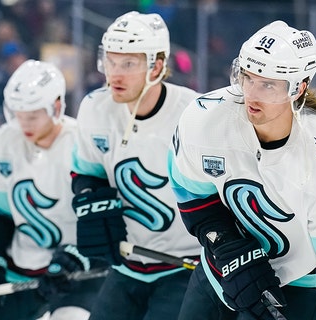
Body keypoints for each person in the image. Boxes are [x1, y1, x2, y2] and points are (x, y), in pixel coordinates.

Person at [168, 20, 316, 320]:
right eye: (246, 78)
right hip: (219, 277)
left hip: (302, 289)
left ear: (298, 88)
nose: (252, 95)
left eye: (269, 85)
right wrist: (230, 248)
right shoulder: (205, 118)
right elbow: (193, 193)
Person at [70, 11, 202, 320]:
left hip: (186, 267)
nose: (114, 74)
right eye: (110, 61)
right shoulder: (94, 107)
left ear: (156, 66)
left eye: (128, 64)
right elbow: (86, 172)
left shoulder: (194, 115)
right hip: (128, 265)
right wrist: (92, 197)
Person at [0, 59, 105, 320]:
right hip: (22, 266)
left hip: (78, 270)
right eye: (18, 113)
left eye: (33, 115)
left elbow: (101, 214)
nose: (24, 123)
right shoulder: (5, 141)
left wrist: (78, 256)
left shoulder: (82, 143)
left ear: (57, 106)